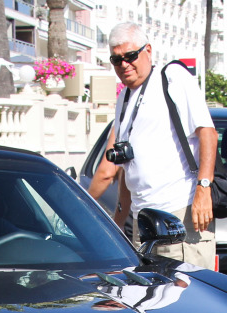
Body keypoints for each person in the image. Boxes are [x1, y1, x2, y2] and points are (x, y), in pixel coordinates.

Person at [87, 22, 218, 268]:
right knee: (150, 302)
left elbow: (208, 134)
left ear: (148, 51)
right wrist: (119, 221)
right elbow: (125, 169)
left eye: (130, 56)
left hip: (179, 214)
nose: (124, 64)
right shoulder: (123, 99)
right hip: (142, 222)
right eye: (116, 60)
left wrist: (203, 189)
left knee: (186, 301)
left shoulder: (173, 78)